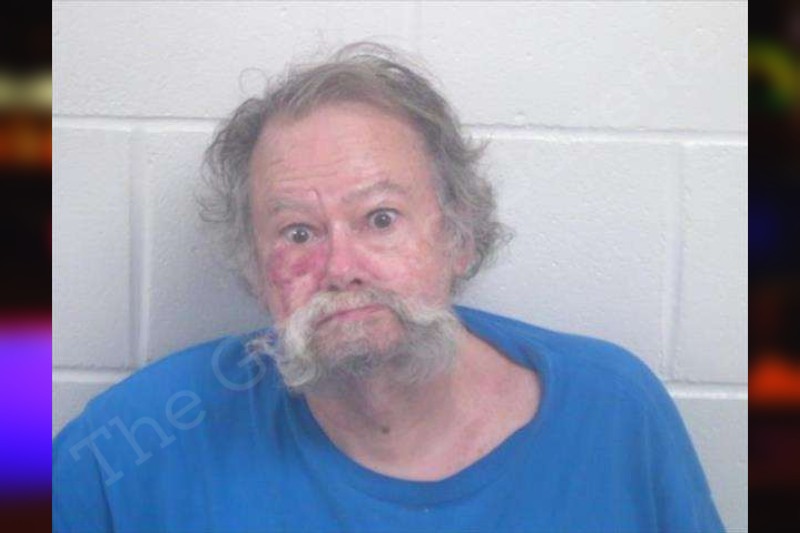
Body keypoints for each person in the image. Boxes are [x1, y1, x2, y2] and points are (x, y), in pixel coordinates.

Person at [53, 43, 724, 532]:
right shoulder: (130, 448)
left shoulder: (615, 412)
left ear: (460, 235)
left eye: (380, 218)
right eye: (297, 232)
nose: (340, 268)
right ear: (255, 271)